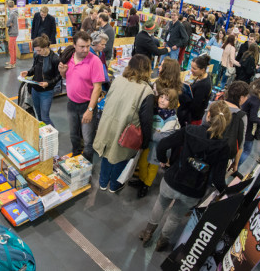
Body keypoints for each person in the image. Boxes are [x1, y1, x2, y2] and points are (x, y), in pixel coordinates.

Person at [140, 101, 234, 251]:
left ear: (208, 115)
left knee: (161, 203)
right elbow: (218, 179)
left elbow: (163, 144)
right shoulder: (223, 147)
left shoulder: (190, 130)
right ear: (226, 123)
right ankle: (162, 242)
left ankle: (147, 232)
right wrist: (227, 192)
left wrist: (163, 160)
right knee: (176, 216)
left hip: (173, 180)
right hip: (194, 190)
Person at [93, 54, 155, 193]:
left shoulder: (118, 80)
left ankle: (103, 183)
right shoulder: (146, 91)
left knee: (106, 154)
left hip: (108, 125)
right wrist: (144, 143)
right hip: (125, 130)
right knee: (120, 158)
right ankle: (114, 186)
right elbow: (146, 121)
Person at [59, 31, 106, 162]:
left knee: (88, 139)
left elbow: (98, 87)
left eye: (88, 46)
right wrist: (62, 73)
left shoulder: (94, 61)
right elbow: (67, 77)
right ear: (74, 45)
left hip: (87, 105)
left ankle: (86, 165)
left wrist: (90, 110)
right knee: (74, 135)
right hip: (71, 103)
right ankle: (75, 158)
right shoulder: (68, 57)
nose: (86, 50)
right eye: (82, 47)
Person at [134, 88, 180, 198]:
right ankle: (141, 180)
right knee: (142, 163)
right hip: (148, 144)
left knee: (153, 167)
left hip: (159, 148)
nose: (162, 100)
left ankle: (146, 185)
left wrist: (148, 132)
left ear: (172, 103)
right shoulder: (154, 110)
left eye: (166, 99)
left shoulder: (172, 118)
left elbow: (163, 137)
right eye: (161, 97)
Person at [20, 35, 61, 126]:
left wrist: (48, 83)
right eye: (36, 50)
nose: (37, 53)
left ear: (46, 47)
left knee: (45, 117)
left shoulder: (54, 59)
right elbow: (34, 68)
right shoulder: (37, 55)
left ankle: (52, 134)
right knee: (38, 115)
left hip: (46, 92)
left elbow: (59, 76)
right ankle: (44, 135)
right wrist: (28, 72)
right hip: (35, 90)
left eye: (39, 50)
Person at [239, 77, 260, 167]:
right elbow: (252, 117)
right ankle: (236, 167)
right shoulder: (256, 100)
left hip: (243, 124)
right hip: (249, 128)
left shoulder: (251, 93)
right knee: (247, 150)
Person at [178, 55, 213, 126]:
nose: (191, 70)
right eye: (191, 67)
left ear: (202, 70)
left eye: (194, 68)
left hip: (191, 118)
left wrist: (182, 96)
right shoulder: (202, 77)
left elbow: (195, 106)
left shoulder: (203, 85)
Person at [5, 0, 19, 69]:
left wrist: (8, 24)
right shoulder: (15, 12)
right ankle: (13, 61)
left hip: (12, 32)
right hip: (15, 31)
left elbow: (8, 23)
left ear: (8, 6)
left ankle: (12, 63)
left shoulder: (11, 13)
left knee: (11, 48)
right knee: (13, 47)